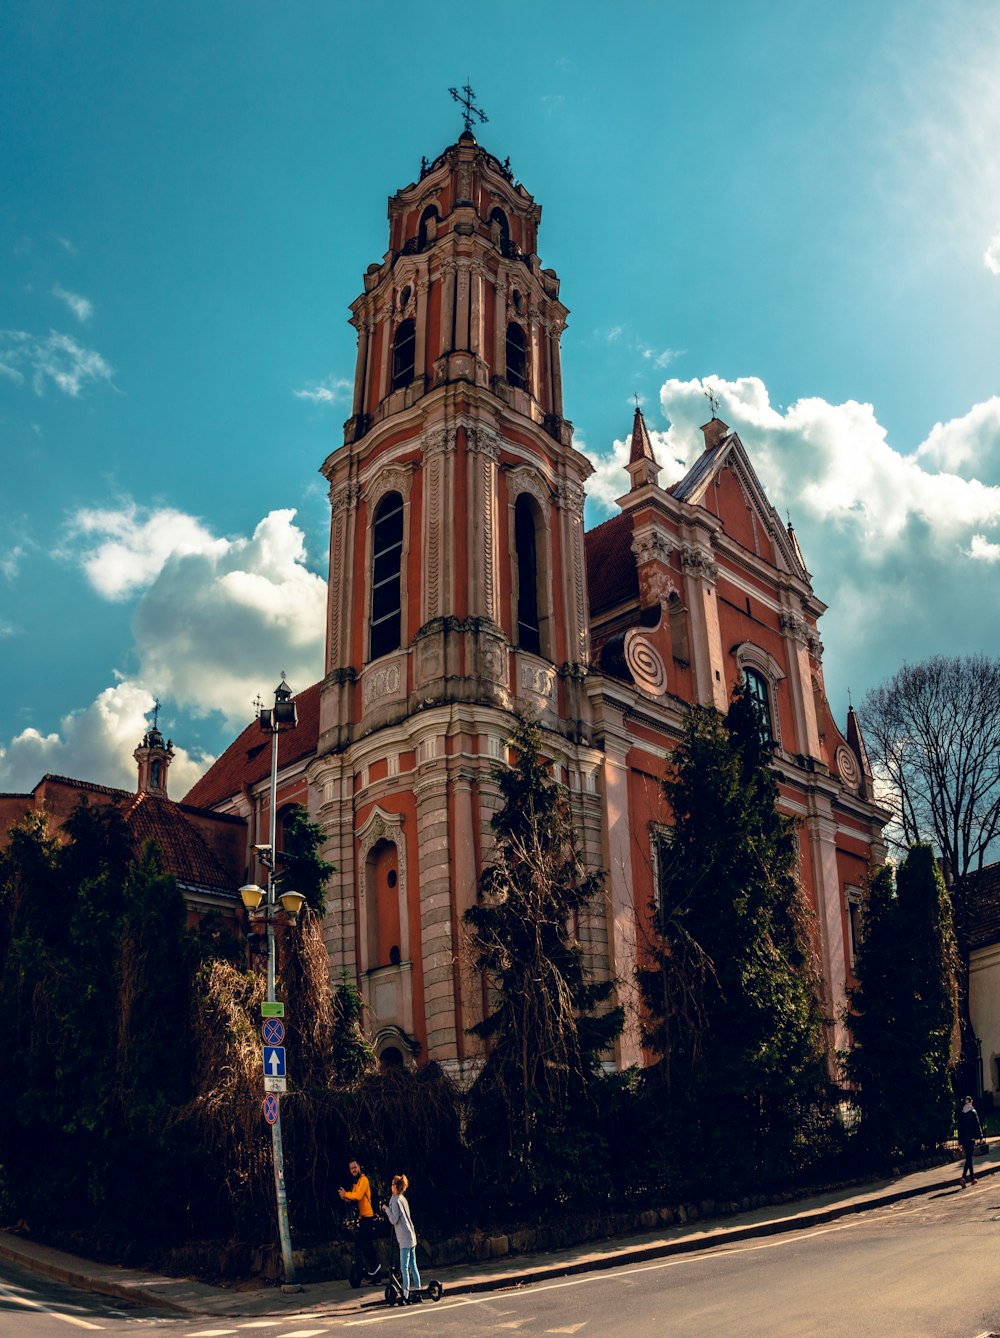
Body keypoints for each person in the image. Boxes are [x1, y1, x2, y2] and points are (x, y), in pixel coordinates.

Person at [339, 1157, 380, 1280]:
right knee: (365, 1243)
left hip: (368, 1217)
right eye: (351, 1168)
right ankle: (374, 1272)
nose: (353, 1170)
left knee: (361, 1241)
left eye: (355, 1167)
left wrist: (346, 1194)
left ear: (359, 1167)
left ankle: (375, 1267)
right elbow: (354, 1199)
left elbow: (358, 1196)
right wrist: (345, 1197)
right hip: (362, 1218)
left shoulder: (364, 1180)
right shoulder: (356, 1182)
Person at [384, 1173, 421, 1304]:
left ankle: (405, 1294)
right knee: (413, 1265)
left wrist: (386, 1209)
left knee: (404, 1267)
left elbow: (394, 1219)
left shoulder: (395, 1200)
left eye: (392, 1184)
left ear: (395, 1186)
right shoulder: (402, 1199)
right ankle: (418, 1291)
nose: (390, 1186)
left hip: (404, 1238)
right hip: (411, 1235)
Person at [958, 1096, 983, 1187]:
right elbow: (977, 1125)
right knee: (969, 1158)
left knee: (969, 1157)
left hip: (964, 1140)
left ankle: (972, 1178)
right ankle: (963, 1177)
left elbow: (959, 1129)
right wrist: (980, 1137)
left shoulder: (961, 1113)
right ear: (971, 1102)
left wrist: (960, 1142)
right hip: (971, 1138)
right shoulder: (973, 1112)